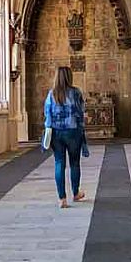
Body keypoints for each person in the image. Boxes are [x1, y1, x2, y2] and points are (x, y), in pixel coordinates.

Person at [44, 66, 87, 208]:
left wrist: (48, 131)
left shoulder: (52, 94)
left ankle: (62, 198)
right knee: (74, 163)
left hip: (56, 133)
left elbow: (47, 114)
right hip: (73, 132)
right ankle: (75, 193)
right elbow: (81, 113)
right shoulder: (76, 93)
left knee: (59, 163)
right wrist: (82, 130)